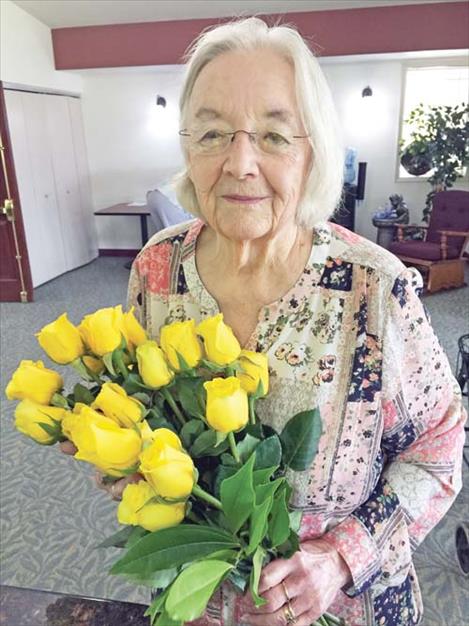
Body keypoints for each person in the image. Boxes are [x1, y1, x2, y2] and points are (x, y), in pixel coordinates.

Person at [77, 18, 467, 626]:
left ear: (312, 150)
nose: (239, 163)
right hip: (200, 603)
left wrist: (340, 558)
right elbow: (136, 415)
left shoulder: (376, 288)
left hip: (346, 605)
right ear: (187, 147)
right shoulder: (158, 269)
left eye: (274, 135)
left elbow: (439, 451)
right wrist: (125, 464)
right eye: (212, 133)